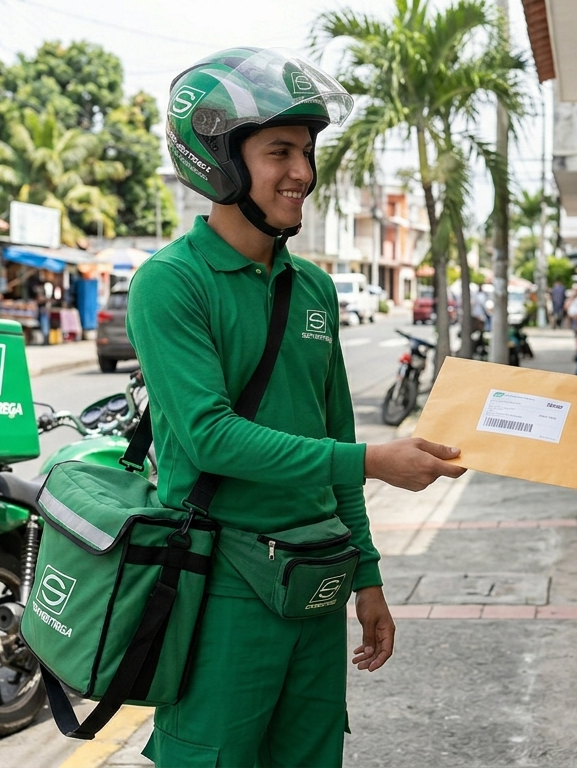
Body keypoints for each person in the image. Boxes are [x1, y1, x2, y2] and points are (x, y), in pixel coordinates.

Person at [126, 47, 465, 767]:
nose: (303, 174)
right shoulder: (171, 284)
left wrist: (367, 578)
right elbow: (210, 437)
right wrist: (374, 460)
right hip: (219, 591)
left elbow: (332, 433)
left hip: (316, 584)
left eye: (307, 153)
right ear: (216, 158)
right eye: (280, 151)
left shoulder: (311, 289)